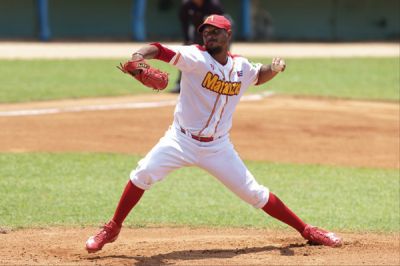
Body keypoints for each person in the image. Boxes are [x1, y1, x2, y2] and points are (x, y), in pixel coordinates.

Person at [85, 14, 342, 253]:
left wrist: (273, 68)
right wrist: (138, 57)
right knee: (143, 173)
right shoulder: (194, 57)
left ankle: (307, 230)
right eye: (205, 31)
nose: (209, 35)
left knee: (255, 193)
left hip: (218, 147)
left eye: (215, 31)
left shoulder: (241, 66)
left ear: (227, 35)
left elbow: (258, 76)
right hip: (180, 140)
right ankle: (113, 227)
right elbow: (158, 49)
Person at [171, 0, 225, 93]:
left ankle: (221, 83)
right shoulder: (187, 5)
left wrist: (218, 42)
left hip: (217, 32)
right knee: (185, 54)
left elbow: (222, 23)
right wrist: (187, 40)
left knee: (218, 56)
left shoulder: (213, 4)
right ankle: (180, 84)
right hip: (198, 30)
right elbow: (184, 23)